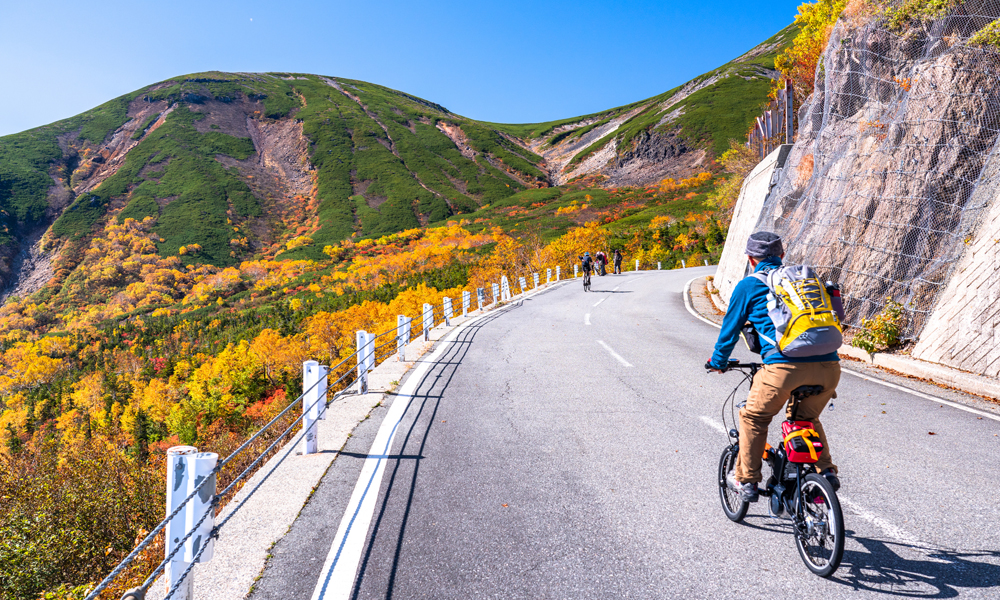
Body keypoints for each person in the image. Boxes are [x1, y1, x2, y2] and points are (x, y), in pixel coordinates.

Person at [705, 231, 840, 503]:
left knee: (753, 417)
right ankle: (825, 474)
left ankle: (747, 481)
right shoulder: (802, 282)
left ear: (750, 259)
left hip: (782, 368)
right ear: (781, 254)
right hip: (829, 365)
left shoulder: (749, 285)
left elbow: (729, 331)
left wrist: (718, 363)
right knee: (805, 420)